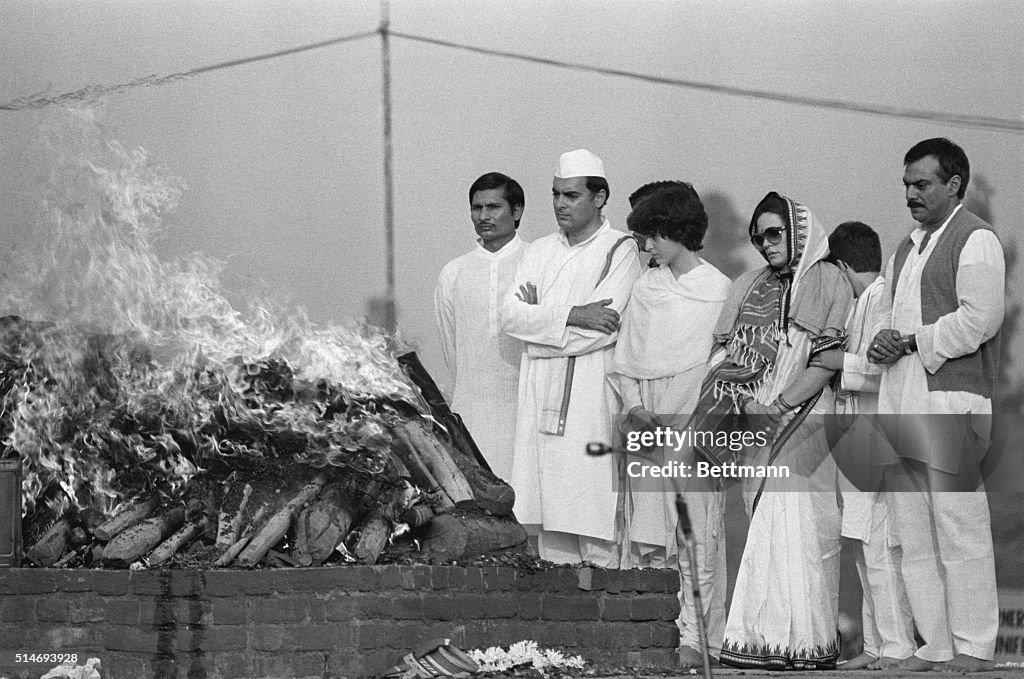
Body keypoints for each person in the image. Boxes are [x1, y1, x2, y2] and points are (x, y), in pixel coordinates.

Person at [693, 192, 853, 670]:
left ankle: (806, 643)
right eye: (758, 236)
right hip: (753, 422)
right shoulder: (745, 286)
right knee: (761, 522)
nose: (765, 244)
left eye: (774, 233)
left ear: (798, 230)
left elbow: (828, 359)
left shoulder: (829, 280)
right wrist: (747, 404)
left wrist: (779, 405)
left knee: (802, 530)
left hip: (807, 420)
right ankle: (761, 643)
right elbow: (722, 358)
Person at [867, 138, 1003, 672]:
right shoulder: (906, 247)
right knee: (912, 529)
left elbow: (980, 318)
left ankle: (973, 646)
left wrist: (913, 340)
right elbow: (889, 314)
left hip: (951, 397)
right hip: (902, 395)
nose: (910, 194)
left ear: (954, 184)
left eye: (921, 184)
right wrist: (883, 338)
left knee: (958, 523)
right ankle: (937, 645)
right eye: (906, 184)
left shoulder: (976, 239)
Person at [501, 149, 642, 566]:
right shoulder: (539, 250)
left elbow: (604, 331)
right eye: (556, 194)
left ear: (599, 198)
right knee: (547, 524)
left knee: (594, 515)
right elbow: (509, 315)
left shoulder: (620, 250)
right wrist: (573, 314)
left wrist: (537, 328)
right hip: (537, 396)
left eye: (572, 195)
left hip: (590, 397)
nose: (561, 204)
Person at [610, 181, 731, 665]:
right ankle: (657, 631)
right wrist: (637, 409)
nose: (648, 247)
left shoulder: (718, 289)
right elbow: (627, 363)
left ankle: (700, 641)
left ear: (677, 230)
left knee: (697, 535)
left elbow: (723, 367)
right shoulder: (645, 288)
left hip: (697, 423)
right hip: (649, 425)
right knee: (651, 534)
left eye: (655, 235)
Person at [811, 221, 915, 669]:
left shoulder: (883, 298)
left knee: (880, 544)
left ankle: (895, 646)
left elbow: (881, 370)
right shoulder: (861, 303)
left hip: (878, 433)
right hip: (854, 435)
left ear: (843, 265)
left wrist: (837, 363)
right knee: (862, 543)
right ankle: (875, 645)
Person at [434, 172, 529, 480]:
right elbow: (452, 347)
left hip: (524, 410)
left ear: (516, 211)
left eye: (493, 207)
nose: (484, 216)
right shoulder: (454, 272)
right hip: (471, 410)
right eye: (477, 208)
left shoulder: (536, 261)